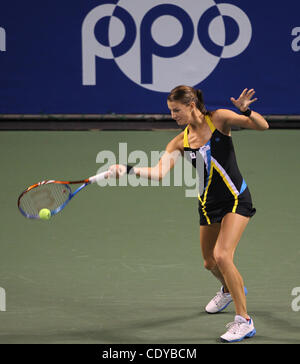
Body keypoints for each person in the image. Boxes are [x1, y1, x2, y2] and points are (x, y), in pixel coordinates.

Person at [109, 85, 269, 343]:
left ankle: (244, 321)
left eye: (176, 110)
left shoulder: (219, 119)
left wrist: (246, 110)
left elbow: (263, 126)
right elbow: (159, 173)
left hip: (236, 198)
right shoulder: (179, 141)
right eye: (171, 111)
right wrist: (128, 169)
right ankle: (229, 289)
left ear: (192, 105)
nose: (173, 116)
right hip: (208, 204)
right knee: (210, 262)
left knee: (222, 255)